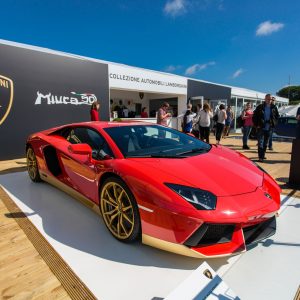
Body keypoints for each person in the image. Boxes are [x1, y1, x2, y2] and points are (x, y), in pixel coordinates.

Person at [253, 94, 279, 162]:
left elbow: (277, 117)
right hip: (261, 127)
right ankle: (260, 157)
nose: (269, 100)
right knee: (260, 143)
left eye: (270, 99)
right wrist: (256, 125)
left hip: (269, 128)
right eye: (268, 99)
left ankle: (263, 155)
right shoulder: (260, 107)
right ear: (265, 99)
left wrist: (273, 123)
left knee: (265, 143)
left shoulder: (274, 107)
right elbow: (254, 116)